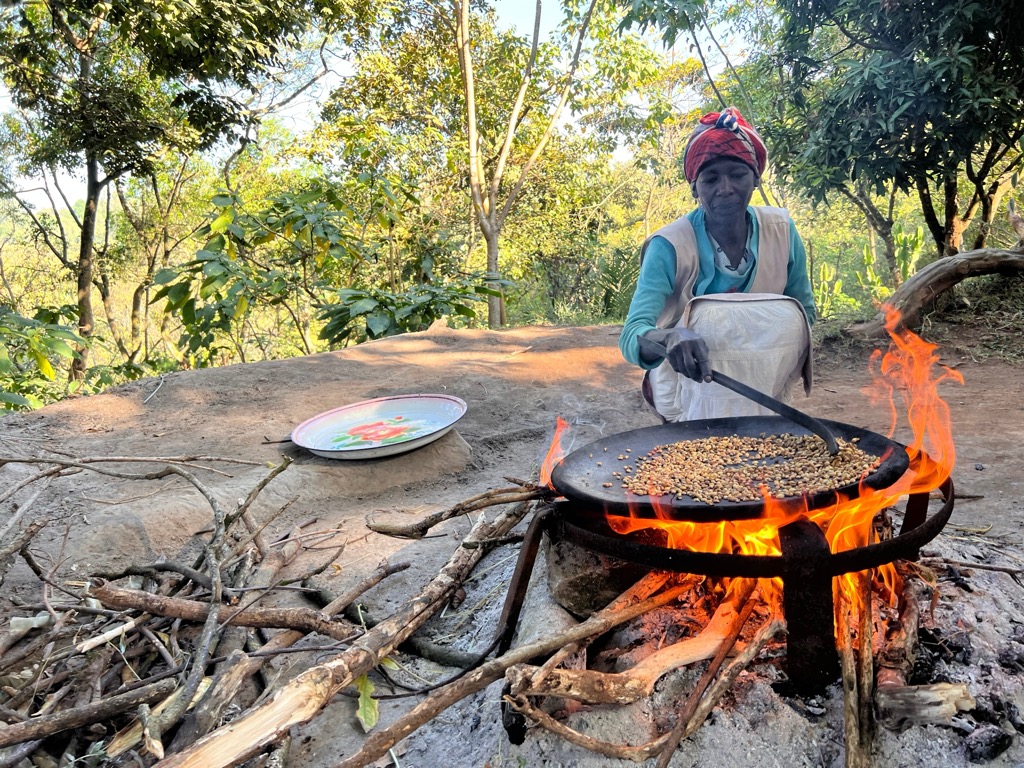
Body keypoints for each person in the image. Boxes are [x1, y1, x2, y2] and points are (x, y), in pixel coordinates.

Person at [619, 107, 817, 423]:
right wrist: (670, 338)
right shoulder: (669, 246)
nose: (725, 188)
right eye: (711, 178)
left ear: (754, 178)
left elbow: (805, 313)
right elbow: (632, 336)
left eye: (737, 175)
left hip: (765, 391)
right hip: (690, 395)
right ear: (695, 188)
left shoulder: (782, 232)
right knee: (704, 317)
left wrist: (757, 345)